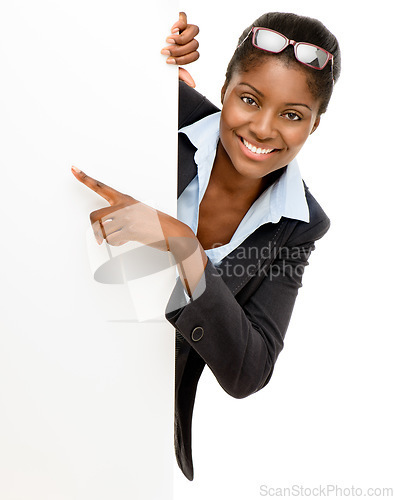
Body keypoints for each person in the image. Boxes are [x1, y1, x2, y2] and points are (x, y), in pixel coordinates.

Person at [72, 11, 341, 481]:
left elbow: (247, 371)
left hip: (134, 427)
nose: (262, 128)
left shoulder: (300, 225)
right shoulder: (167, 110)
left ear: (314, 125)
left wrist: (184, 246)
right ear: (223, 91)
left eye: (293, 115)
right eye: (250, 99)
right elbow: (78, 52)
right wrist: (149, 47)